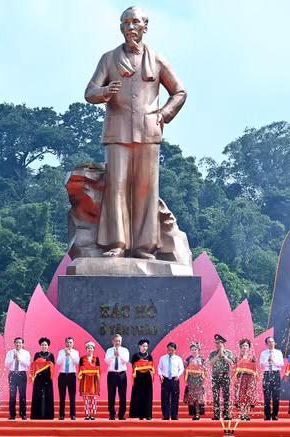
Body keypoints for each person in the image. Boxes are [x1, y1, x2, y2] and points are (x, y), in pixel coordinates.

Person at [84, 6, 187, 259]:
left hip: (148, 131)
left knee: (146, 189)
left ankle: (144, 246)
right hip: (117, 131)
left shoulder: (158, 59)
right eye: (125, 23)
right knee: (116, 186)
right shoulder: (109, 59)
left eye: (135, 22)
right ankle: (116, 243)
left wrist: (163, 115)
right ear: (120, 28)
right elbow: (89, 92)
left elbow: (180, 92)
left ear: (145, 26)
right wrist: (105, 92)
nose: (130, 27)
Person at [208, 334, 234, 420]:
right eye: (216, 343)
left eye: (220, 343)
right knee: (216, 395)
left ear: (223, 344)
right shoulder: (212, 353)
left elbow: (232, 362)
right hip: (215, 376)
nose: (218, 345)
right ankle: (216, 415)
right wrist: (218, 355)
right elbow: (210, 363)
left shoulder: (229, 352)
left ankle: (226, 414)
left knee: (226, 395)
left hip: (225, 375)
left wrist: (223, 356)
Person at [104, 334, 130, 420]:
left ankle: (121, 414)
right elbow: (106, 361)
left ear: (121, 341)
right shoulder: (109, 350)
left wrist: (119, 354)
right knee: (111, 395)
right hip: (112, 375)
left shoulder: (125, 350)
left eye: (119, 341)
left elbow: (126, 361)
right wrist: (114, 355)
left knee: (122, 395)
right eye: (116, 341)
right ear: (112, 341)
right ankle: (112, 414)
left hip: (122, 374)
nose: (117, 342)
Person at [259, 336, 284, 421]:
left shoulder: (278, 352)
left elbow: (281, 364)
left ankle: (275, 414)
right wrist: (267, 360)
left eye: (272, 342)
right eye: (269, 342)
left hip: (275, 374)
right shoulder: (263, 353)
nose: (271, 343)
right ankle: (267, 415)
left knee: (276, 396)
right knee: (267, 396)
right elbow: (261, 365)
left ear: (274, 343)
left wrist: (273, 361)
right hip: (267, 374)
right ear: (266, 344)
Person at [5, 337, 30, 420]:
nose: (18, 344)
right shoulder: (10, 353)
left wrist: (19, 358)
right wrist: (13, 358)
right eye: (16, 343)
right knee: (12, 395)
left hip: (22, 375)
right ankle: (12, 414)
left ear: (22, 344)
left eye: (20, 343)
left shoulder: (26, 353)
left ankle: (23, 414)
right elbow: (6, 364)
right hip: (12, 374)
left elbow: (27, 364)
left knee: (22, 395)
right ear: (14, 343)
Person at [30, 337, 55, 420]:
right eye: (42, 345)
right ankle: (37, 415)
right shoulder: (37, 355)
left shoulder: (51, 355)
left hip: (47, 379)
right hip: (38, 379)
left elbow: (53, 366)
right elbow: (33, 366)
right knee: (38, 396)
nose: (44, 346)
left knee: (48, 396)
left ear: (48, 346)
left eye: (45, 345)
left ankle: (48, 415)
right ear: (40, 346)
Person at [130, 339, 154, 420]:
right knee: (138, 395)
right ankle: (139, 414)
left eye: (146, 346)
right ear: (139, 346)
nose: (145, 348)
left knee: (147, 396)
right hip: (138, 378)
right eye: (143, 346)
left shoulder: (149, 356)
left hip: (147, 378)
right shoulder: (135, 356)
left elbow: (152, 368)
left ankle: (147, 415)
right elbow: (133, 367)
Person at [158, 342, 183, 420]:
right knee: (165, 398)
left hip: (174, 379)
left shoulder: (178, 359)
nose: (170, 352)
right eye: (169, 350)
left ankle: (174, 415)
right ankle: (165, 415)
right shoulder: (162, 358)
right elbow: (160, 368)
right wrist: (160, 375)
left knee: (175, 398)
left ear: (175, 350)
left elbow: (181, 368)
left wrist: (178, 375)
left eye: (172, 350)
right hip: (165, 380)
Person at [56, 337, 79, 420]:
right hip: (62, 375)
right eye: (68, 342)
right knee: (62, 396)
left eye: (71, 342)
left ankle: (72, 415)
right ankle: (61, 415)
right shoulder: (61, 352)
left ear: (73, 344)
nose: (69, 344)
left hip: (71, 375)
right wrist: (65, 355)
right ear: (65, 343)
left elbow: (77, 362)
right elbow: (58, 362)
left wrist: (70, 355)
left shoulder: (76, 352)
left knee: (72, 396)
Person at [234, 339, 257, 421]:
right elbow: (234, 369)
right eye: (243, 346)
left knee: (248, 395)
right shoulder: (238, 357)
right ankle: (242, 413)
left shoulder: (252, 358)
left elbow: (255, 370)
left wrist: (254, 379)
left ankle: (246, 413)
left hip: (249, 379)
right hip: (241, 379)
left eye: (246, 346)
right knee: (241, 395)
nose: (244, 347)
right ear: (241, 347)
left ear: (249, 347)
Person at [78, 342, 101, 420]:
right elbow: (80, 369)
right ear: (86, 349)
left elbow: (98, 369)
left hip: (93, 381)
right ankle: (87, 414)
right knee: (86, 398)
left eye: (91, 348)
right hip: (85, 380)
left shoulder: (96, 359)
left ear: (94, 349)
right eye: (88, 348)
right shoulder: (82, 359)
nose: (90, 350)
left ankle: (92, 414)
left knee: (93, 399)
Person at [184, 342, 206, 420]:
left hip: (199, 380)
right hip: (191, 380)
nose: (194, 351)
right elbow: (185, 370)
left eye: (195, 349)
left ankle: (198, 413)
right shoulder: (188, 359)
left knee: (198, 397)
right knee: (192, 397)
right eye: (192, 350)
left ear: (198, 350)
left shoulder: (202, 359)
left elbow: (205, 370)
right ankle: (193, 413)